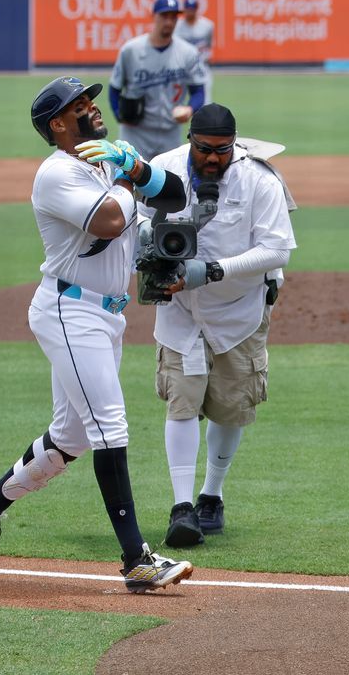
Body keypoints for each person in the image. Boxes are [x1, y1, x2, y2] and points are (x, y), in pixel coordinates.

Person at [0, 76, 195, 593]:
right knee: (111, 427)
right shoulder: (56, 173)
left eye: (90, 100)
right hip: (69, 310)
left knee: (70, 437)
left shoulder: (109, 158)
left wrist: (133, 165)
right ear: (57, 125)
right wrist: (130, 178)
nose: (92, 108)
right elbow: (110, 220)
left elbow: (175, 194)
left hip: (105, 316)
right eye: (78, 106)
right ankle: (137, 560)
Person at [140, 104, 297, 547]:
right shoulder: (162, 171)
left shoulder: (259, 181)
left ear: (235, 144)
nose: (212, 158)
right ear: (190, 139)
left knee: (230, 405)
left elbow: (277, 250)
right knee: (182, 402)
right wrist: (151, 250)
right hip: (179, 310)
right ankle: (181, 507)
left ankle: (213, 493)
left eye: (222, 150)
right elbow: (132, 219)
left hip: (240, 312)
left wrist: (211, 270)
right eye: (204, 149)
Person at [108, 0, 206, 161]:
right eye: (164, 16)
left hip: (170, 132)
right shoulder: (131, 50)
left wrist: (189, 109)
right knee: (127, 182)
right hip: (135, 133)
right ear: (154, 16)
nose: (169, 22)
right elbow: (114, 89)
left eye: (173, 17)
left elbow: (198, 92)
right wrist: (119, 115)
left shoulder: (188, 52)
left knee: (171, 183)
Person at [175, 0, 214, 105]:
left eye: (191, 10)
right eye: (187, 9)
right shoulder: (177, 26)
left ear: (196, 10)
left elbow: (208, 45)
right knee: (176, 101)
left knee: (205, 102)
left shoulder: (207, 25)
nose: (189, 12)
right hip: (181, 68)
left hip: (200, 67)